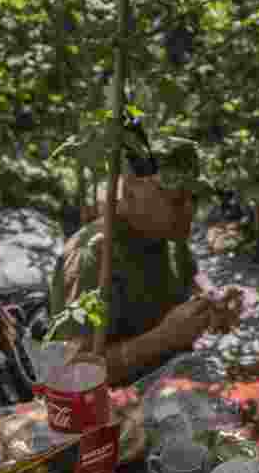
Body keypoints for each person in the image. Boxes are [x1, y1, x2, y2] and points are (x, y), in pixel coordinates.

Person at [48, 139, 226, 387]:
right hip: (121, 411)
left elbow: (191, 275)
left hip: (175, 391)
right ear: (131, 193)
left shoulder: (169, 235)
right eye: (177, 200)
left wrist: (211, 298)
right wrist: (161, 340)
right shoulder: (92, 257)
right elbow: (72, 375)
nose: (189, 210)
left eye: (193, 199)